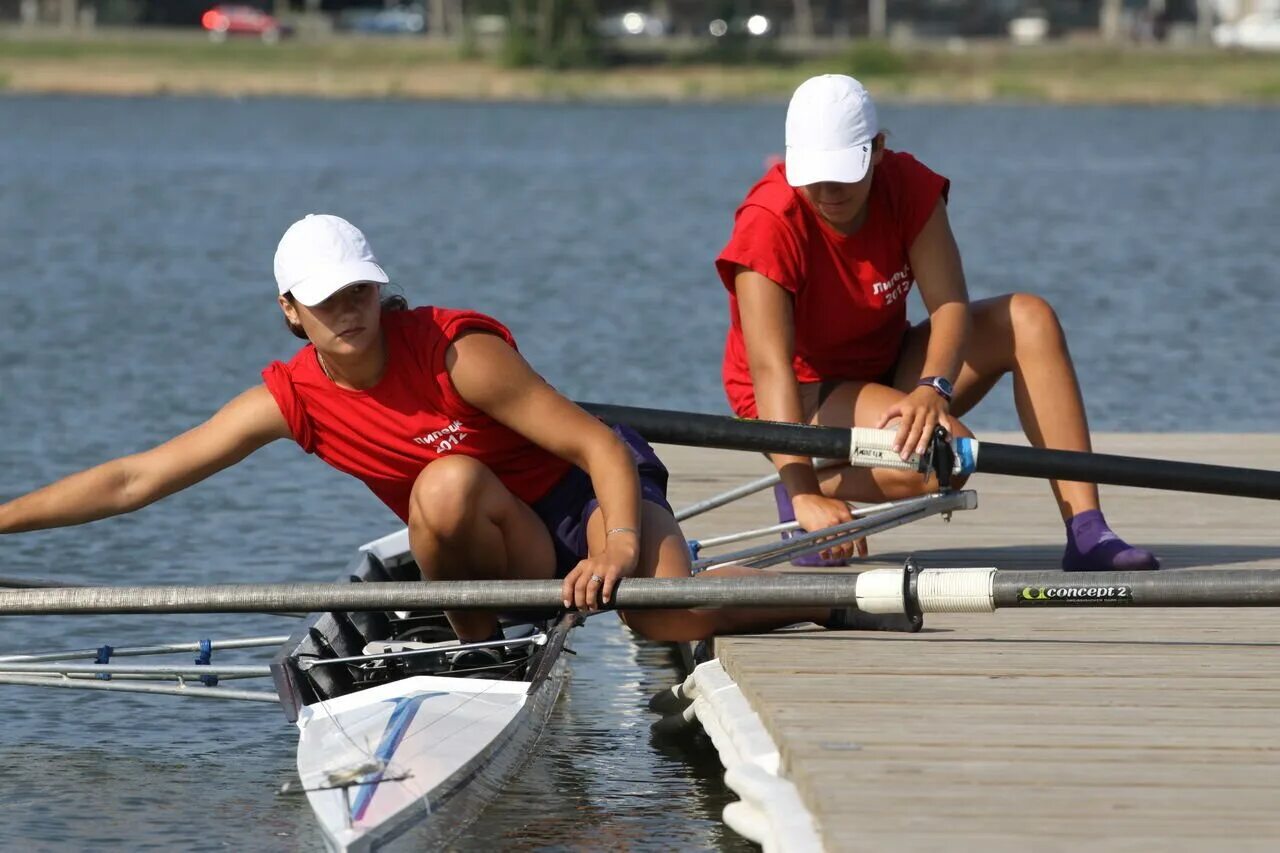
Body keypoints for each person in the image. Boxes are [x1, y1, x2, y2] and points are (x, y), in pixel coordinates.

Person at [0, 213, 881, 648]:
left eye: (359, 292)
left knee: (669, 623)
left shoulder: (459, 353)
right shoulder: (290, 398)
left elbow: (598, 447)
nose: (349, 312)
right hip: (498, 532)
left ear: (379, 288)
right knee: (447, 486)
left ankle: (825, 592)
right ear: (290, 312)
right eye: (325, 300)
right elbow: (133, 480)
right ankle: (479, 649)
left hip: (585, 496)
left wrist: (613, 549)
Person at [716, 74, 1159, 573]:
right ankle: (801, 490)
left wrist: (934, 387)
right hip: (799, 394)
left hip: (885, 362)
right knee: (949, 458)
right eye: (814, 173)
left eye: (844, 170)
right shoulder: (768, 222)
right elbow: (771, 369)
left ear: (879, 148)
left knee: (1029, 317)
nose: (828, 190)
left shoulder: (908, 186)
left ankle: (1087, 530)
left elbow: (949, 303)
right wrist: (804, 492)